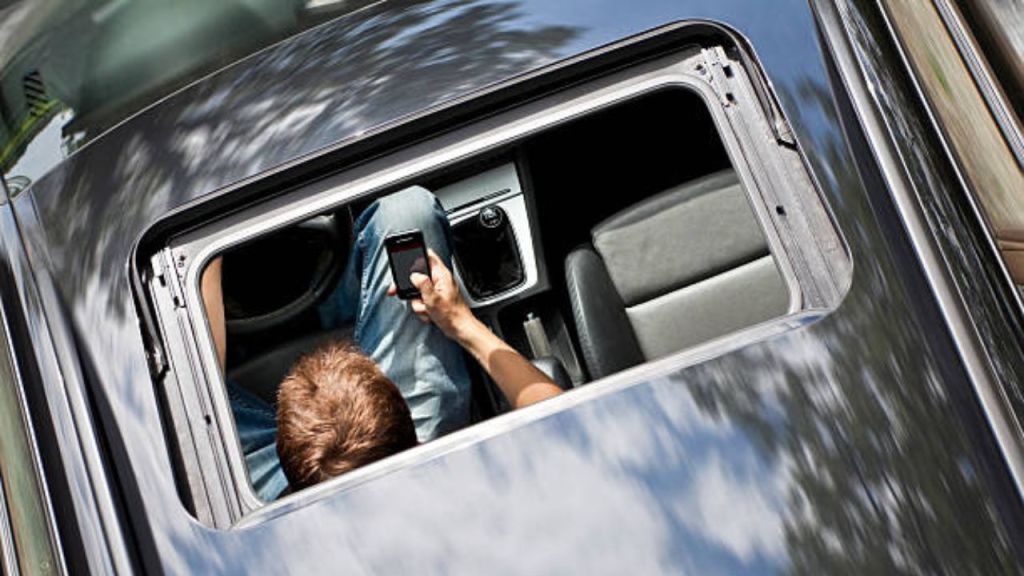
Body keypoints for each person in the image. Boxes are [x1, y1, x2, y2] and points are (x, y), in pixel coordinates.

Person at [202, 186, 562, 500]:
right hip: (403, 467)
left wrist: (209, 248)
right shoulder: (469, 488)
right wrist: (461, 322)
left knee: (198, 388)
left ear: (287, 470)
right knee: (406, 212)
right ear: (414, 433)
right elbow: (558, 419)